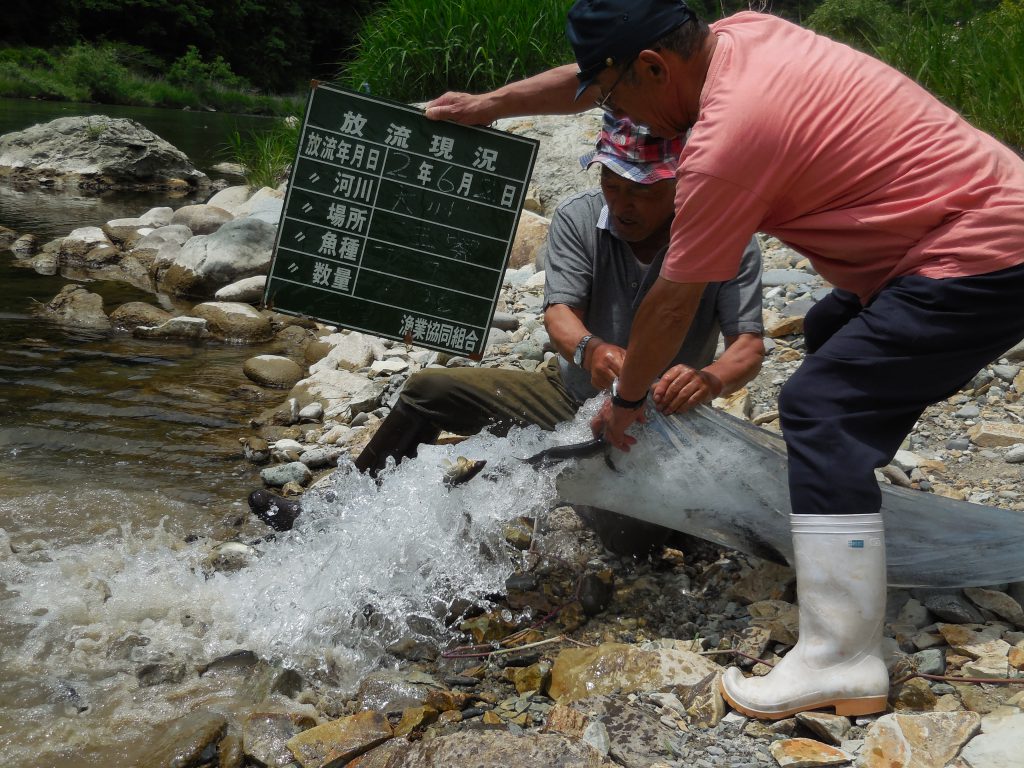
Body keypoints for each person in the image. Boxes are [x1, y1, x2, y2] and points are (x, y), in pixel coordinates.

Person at [423, 0, 1024, 720]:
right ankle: (845, 509)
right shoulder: (743, 35)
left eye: (619, 100)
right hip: (978, 225)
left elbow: (673, 303)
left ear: (655, 66)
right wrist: (491, 105)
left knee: (820, 407)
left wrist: (630, 400)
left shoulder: (726, 141)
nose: (630, 119)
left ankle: (842, 657)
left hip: (974, 253)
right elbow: (589, 77)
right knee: (833, 330)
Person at [250, 115, 766, 558]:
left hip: (662, 418)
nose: (625, 203)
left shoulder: (724, 238)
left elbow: (748, 347)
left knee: (633, 543)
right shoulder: (579, 218)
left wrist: (709, 378)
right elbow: (561, 314)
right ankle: (329, 516)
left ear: (680, 182)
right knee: (428, 390)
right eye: (614, 184)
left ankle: (565, 486)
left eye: (643, 190)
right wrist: (592, 350)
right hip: (569, 392)